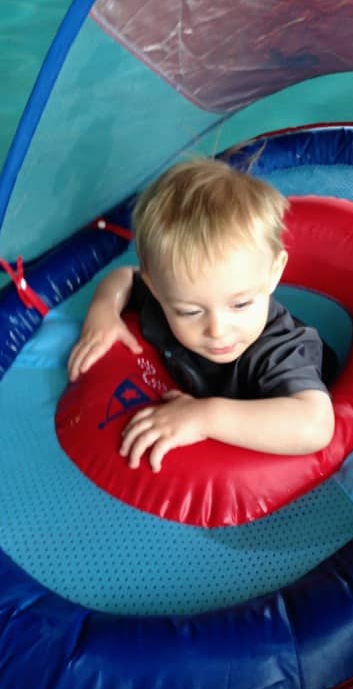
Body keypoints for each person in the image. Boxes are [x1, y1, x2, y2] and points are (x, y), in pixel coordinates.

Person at [68, 158, 335, 472]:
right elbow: (126, 276)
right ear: (157, 288)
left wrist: (204, 417)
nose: (217, 329)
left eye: (240, 305)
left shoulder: (280, 350)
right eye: (189, 311)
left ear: (274, 272)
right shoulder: (167, 293)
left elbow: (314, 426)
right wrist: (104, 311)